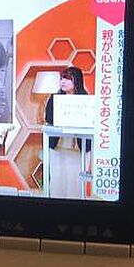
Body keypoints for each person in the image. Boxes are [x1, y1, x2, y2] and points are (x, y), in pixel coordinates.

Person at [44, 66, 91, 199]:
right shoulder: (54, 98)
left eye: (67, 79)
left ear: (77, 81)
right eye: (61, 78)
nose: (63, 82)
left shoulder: (85, 99)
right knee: (57, 179)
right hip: (58, 146)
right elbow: (49, 118)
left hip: (79, 148)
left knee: (75, 181)